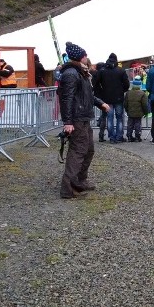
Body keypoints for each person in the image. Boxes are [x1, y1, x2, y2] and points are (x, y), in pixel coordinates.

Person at [57, 42, 110, 199]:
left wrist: (100, 103)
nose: (87, 58)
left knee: (88, 150)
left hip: (83, 117)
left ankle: (80, 180)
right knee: (78, 152)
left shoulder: (81, 73)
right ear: (81, 57)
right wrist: (68, 122)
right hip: (77, 119)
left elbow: (86, 96)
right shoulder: (72, 74)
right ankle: (68, 188)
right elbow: (66, 99)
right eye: (85, 55)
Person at [93, 53, 130, 143]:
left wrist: (101, 93)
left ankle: (112, 137)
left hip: (106, 98)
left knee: (109, 118)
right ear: (116, 60)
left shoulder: (102, 71)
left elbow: (95, 83)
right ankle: (119, 136)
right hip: (118, 97)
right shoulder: (121, 71)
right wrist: (122, 91)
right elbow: (127, 84)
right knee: (119, 118)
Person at [124, 76, 149, 142]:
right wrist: (146, 112)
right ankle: (138, 136)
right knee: (138, 124)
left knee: (130, 124)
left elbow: (125, 103)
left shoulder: (128, 93)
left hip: (130, 112)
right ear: (139, 85)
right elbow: (144, 105)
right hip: (139, 112)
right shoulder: (142, 94)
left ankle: (129, 136)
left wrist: (127, 110)